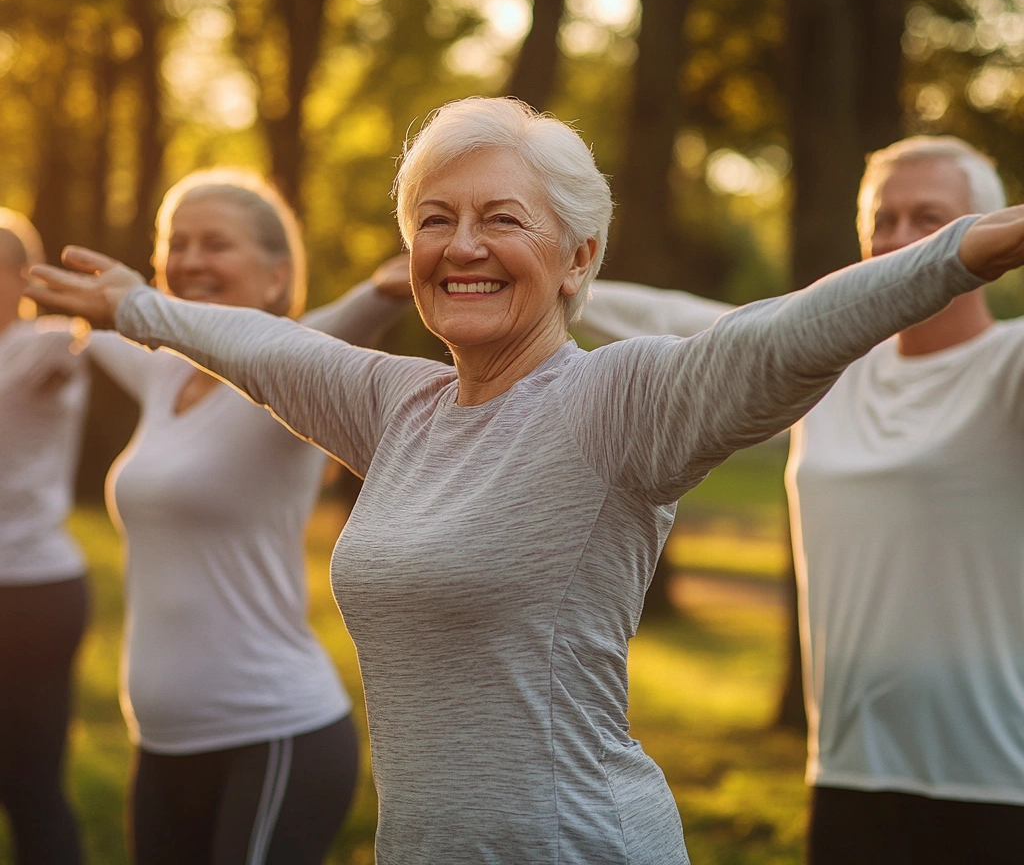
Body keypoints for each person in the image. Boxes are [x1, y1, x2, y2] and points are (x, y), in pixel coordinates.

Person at [26, 101, 1024, 865]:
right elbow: (264, 347)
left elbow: (788, 330)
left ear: (576, 255)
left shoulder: (622, 400)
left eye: (501, 218)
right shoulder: (396, 406)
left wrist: (968, 249)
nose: (461, 246)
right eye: (434, 219)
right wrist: (139, 306)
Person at [575, 135, 1024, 865]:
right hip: (849, 773)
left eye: (930, 220)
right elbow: (672, 320)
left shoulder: (1008, 366)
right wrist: (530, 274)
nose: (901, 239)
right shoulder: (825, 364)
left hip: (998, 784)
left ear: (986, 234)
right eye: (885, 219)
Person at [79, 169, 412, 865]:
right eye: (178, 242)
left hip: (272, 737)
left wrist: (387, 285)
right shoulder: (164, 373)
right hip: (162, 743)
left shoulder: (290, 371)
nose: (192, 260)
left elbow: (356, 314)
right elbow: (82, 322)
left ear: (275, 274)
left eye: (216, 244)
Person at [0, 209, 89, 865]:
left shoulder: (46, 343)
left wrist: (65, 298)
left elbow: (79, 341)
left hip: (33, 594)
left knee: (30, 785)